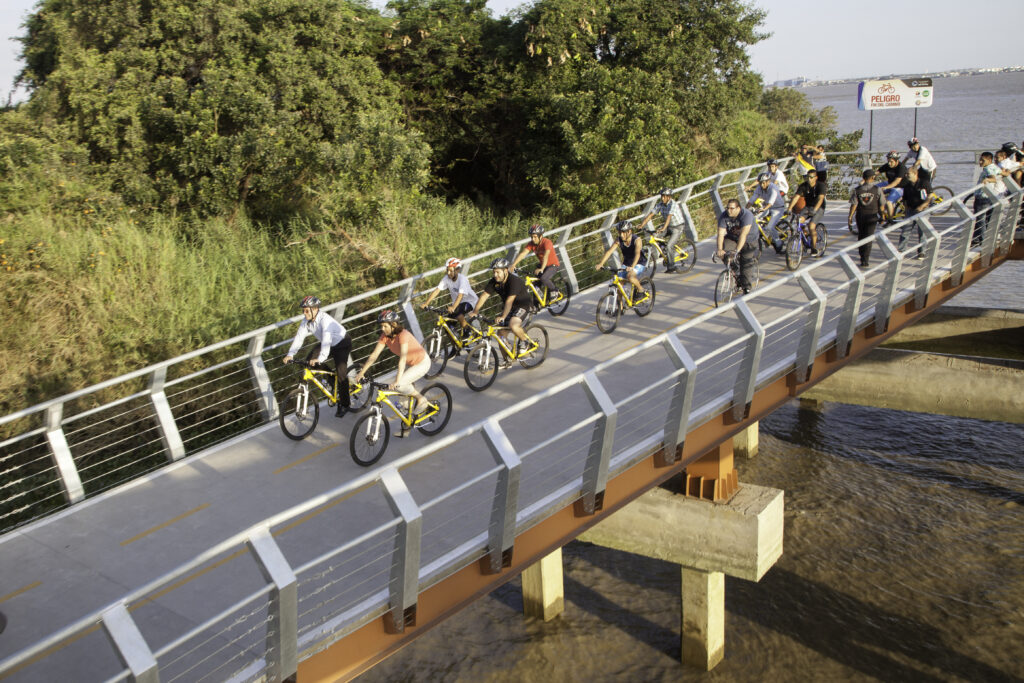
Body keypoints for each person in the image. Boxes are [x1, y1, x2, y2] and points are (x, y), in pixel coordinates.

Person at [352, 310, 431, 436]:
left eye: (385, 326)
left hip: (422, 363)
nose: (383, 329)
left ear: (393, 324)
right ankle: (408, 424)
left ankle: (421, 399)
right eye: (381, 326)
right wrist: (362, 373)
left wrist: (397, 381)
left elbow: (403, 359)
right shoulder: (385, 337)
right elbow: (374, 356)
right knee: (403, 401)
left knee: (400, 385)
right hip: (411, 365)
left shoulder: (403, 335)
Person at [283, 295, 353, 418]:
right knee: (309, 362)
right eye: (303, 310)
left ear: (315, 309)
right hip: (329, 343)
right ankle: (332, 382)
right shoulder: (306, 321)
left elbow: (326, 343)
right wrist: (290, 354)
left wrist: (319, 359)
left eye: (306, 310)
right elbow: (299, 338)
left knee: (341, 374)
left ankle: (345, 404)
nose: (304, 313)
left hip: (342, 343)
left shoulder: (325, 321)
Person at [471, 257, 536, 364]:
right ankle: (507, 360)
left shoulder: (514, 281)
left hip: (523, 305)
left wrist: (502, 317)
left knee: (513, 325)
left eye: (497, 272)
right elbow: (484, 296)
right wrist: (475, 311)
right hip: (509, 307)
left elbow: (509, 301)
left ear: (505, 271)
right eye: (494, 272)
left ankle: (526, 342)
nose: (495, 275)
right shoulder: (494, 281)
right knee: (500, 334)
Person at [420, 257, 479, 340]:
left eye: (451, 270)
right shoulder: (446, 279)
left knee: (457, 311)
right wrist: (426, 303)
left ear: (457, 270)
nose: (448, 273)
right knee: (448, 327)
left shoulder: (462, 279)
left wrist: (453, 307)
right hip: (457, 304)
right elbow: (437, 290)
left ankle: (467, 330)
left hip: (470, 301)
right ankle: (456, 347)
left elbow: (460, 296)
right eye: (447, 270)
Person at [595, 220, 651, 299]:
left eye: (623, 232)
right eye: (620, 232)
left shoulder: (637, 240)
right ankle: (620, 309)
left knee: (630, 277)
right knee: (619, 285)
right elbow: (609, 252)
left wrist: (632, 267)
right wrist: (601, 263)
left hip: (639, 263)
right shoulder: (619, 240)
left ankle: (641, 289)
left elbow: (637, 254)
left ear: (629, 231)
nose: (621, 235)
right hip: (627, 263)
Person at [636, 187, 687, 272]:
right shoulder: (660, 204)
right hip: (668, 226)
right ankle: (664, 251)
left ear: (669, 197)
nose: (662, 198)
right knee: (655, 235)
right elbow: (651, 214)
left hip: (677, 227)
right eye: (662, 196)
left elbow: (669, 217)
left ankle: (671, 266)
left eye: (664, 196)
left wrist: (663, 228)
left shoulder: (673, 204)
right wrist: (642, 225)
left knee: (669, 246)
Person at [716, 198, 758, 294]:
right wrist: (720, 250)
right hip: (733, 238)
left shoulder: (746, 215)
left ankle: (746, 286)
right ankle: (735, 269)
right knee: (725, 253)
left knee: (745, 262)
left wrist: (737, 251)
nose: (729, 210)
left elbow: (743, 235)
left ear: (738, 208)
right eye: (727, 208)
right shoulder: (724, 216)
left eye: (732, 208)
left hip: (749, 240)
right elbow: (721, 234)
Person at [847, 169, 884, 268]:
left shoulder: (857, 190)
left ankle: (862, 257)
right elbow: (881, 205)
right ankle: (866, 259)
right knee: (869, 237)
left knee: (861, 236)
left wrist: (850, 217)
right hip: (872, 216)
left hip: (861, 216)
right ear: (873, 178)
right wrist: (883, 216)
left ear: (863, 178)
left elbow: (854, 205)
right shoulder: (877, 189)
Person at [511, 224, 562, 295]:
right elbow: (523, 253)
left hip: (552, 265)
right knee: (536, 286)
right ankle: (537, 303)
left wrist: (541, 269)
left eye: (535, 237)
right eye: (531, 237)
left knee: (544, 278)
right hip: (542, 265)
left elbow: (546, 256)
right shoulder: (531, 244)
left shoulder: (547, 242)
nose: (533, 239)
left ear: (540, 236)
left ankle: (555, 291)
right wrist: (513, 264)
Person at [786, 169, 826, 257]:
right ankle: (805, 235)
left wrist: (815, 210)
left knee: (811, 226)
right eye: (808, 177)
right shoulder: (804, 186)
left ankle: (814, 248)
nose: (809, 179)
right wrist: (789, 208)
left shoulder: (821, 185)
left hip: (818, 208)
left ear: (816, 178)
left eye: (811, 177)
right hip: (807, 207)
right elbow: (796, 197)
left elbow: (820, 199)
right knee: (799, 221)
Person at [896, 166, 933, 258]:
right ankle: (901, 250)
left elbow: (930, 196)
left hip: (923, 210)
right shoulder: (907, 185)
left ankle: (922, 252)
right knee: (905, 231)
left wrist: (922, 206)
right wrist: (905, 210)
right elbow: (904, 199)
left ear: (915, 174)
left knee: (922, 232)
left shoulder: (924, 183)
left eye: (908, 173)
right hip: (911, 210)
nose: (906, 175)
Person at [973, 151, 1008, 245]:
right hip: (990, 197)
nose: (980, 162)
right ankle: (976, 239)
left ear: (989, 160)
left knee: (980, 219)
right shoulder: (995, 167)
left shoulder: (988, 169)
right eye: (980, 160)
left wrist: (987, 179)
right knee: (986, 219)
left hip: (982, 197)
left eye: (982, 160)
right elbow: (1005, 174)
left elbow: (993, 178)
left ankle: (983, 241)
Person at [746, 172, 786, 253]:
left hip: (777, 208)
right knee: (754, 218)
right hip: (766, 207)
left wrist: (764, 209)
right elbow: (752, 199)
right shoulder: (759, 188)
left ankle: (778, 242)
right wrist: (745, 210)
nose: (762, 185)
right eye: (760, 183)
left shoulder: (773, 188)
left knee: (769, 227)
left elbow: (771, 202)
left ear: (768, 181)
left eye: (764, 183)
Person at [877, 150, 908, 221]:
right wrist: (865, 180)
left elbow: (896, 182)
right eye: (888, 161)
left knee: (888, 202)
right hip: (889, 183)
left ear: (896, 161)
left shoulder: (901, 168)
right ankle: (882, 215)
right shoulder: (887, 165)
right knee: (874, 189)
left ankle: (890, 220)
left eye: (891, 162)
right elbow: (877, 172)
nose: (889, 163)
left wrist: (885, 188)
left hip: (900, 187)